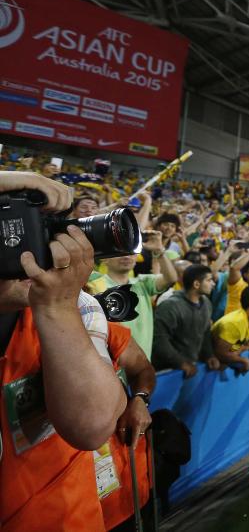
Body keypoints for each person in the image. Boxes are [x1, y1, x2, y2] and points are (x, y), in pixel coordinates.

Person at [0, 171, 126, 531]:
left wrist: (57, 309)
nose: (37, 248)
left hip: (64, 518)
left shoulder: (77, 305)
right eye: (19, 229)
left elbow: (92, 426)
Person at [100, 322, 157, 531]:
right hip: (65, 506)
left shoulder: (102, 327)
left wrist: (141, 398)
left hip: (127, 481)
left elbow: (143, 368)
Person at [87, 229, 177, 360]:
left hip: (143, 364)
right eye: (120, 252)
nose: (126, 256)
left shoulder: (144, 283)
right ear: (105, 259)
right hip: (111, 365)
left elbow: (171, 278)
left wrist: (159, 250)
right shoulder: (95, 283)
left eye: (131, 252)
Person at [153, 264, 221, 376]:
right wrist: (181, 363)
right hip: (166, 371)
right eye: (209, 280)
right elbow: (160, 340)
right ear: (196, 284)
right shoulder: (170, 306)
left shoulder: (206, 303)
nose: (213, 284)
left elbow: (205, 332)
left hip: (190, 366)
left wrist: (209, 355)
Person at [212, 284, 249, 372]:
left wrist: (239, 349)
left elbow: (238, 344)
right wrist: (242, 360)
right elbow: (220, 353)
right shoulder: (234, 323)